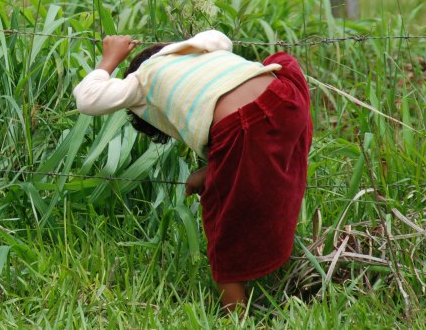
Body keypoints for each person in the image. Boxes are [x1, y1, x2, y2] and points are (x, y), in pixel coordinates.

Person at [73, 30, 312, 310]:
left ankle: (234, 314)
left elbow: (88, 99)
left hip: (245, 127)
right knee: (256, 167)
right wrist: (211, 169)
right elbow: (221, 46)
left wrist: (109, 59)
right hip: (288, 92)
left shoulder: (142, 79)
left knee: (220, 217)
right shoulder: (203, 46)